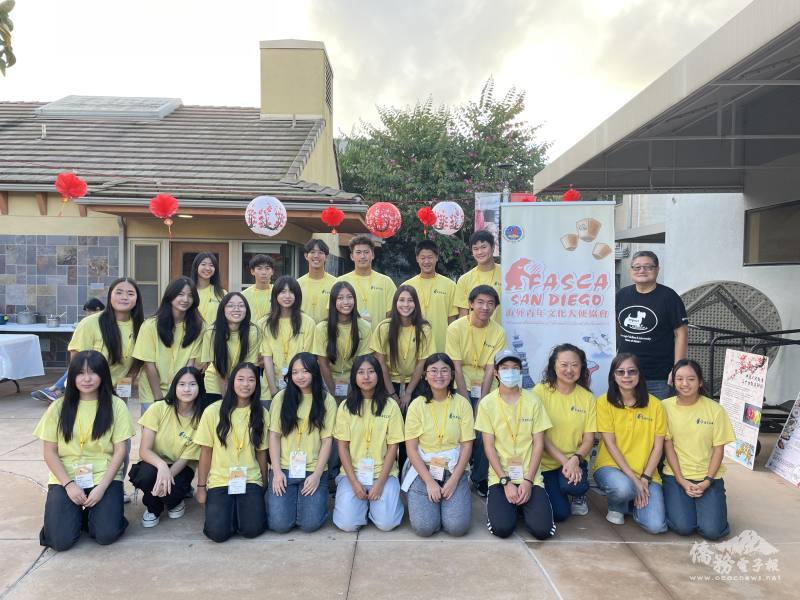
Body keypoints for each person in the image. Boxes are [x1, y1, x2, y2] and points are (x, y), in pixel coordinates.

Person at [34, 350, 135, 551]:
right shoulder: (58, 407)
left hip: (103, 476)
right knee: (59, 541)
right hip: (67, 476)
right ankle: (74, 513)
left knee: (106, 534)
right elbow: (49, 452)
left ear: (103, 375)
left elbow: (119, 452)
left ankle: (100, 512)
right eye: (80, 373)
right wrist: (69, 485)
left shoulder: (116, 406)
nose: (86, 378)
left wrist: (102, 488)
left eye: (93, 372)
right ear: (72, 376)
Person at [474, 349, 554, 539]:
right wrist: (505, 481)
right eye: (505, 368)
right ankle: (512, 506)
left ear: (521, 371)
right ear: (496, 372)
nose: (510, 372)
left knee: (542, 531)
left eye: (515, 368)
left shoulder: (533, 401)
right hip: (501, 478)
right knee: (502, 529)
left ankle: (522, 505)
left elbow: (538, 444)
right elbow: (489, 447)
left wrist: (527, 481)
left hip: (530, 476)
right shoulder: (487, 404)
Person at [593, 353, 667, 534]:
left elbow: (658, 447)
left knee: (656, 526)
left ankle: (630, 504)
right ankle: (618, 503)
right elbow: (609, 443)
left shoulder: (656, 405)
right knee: (623, 488)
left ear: (639, 374)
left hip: (646, 474)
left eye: (632, 371)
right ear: (613, 376)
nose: (626, 376)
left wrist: (645, 478)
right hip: (611, 468)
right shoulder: (604, 402)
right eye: (621, 372)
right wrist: (634, 481)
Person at [195, 362, 268, 542]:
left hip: (250, 478)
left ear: (257, 385)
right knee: (217, 534)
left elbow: (261, 453)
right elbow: (205, 452)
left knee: (252, 530)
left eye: (251, 380)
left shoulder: (261, 413)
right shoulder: (212, 412)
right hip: (220, 480)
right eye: (240, 379)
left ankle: (239, 512)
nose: (245, 384)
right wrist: (201, 488)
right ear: (231, 382)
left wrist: (263, 485)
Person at [662, 359, 735, 540]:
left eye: (691, 379)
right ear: (673, 381)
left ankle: (711, 512)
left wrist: (707, 481)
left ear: (700, 382)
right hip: (676, 475)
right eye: (679, 379)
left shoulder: (715, 410)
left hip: (708, 477)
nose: (685, 384)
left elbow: (718, 450)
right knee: (684, 527)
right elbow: (668, 446)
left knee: (712, 531)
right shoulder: (664, 407)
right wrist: (681, 480)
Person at [445, 284, 507, 496]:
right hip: (459, 385)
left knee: (483, 433)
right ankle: (454, 472)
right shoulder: (455, 328)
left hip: (487, 388)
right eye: (480, 302)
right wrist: (464, 401)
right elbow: (456, 367)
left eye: (490, 303)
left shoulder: (498, 332)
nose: (485, 307)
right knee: (458, 428)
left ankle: (479, 477)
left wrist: (482, 402)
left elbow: (491, 369)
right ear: (471, 304)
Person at [404, 353, 474, 537]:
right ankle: (432, 504)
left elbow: (467, 446)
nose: (439, 375)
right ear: (425, 375)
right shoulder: (417, 405)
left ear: (452, 374)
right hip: (423, 469)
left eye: (444, 370)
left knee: (457, 528)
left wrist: (453, 480)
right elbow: (411, 448)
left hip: (454, 468)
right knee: (424, 527)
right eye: (433, 371)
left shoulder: (462, 404)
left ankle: (448, 501)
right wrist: (429, 481)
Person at [332, 355, 405, 532]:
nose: (366, 377)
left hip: (383, 475)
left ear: (379, 375)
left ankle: (376, 506)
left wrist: (379, 484)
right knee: (347, 525)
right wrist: (355, 484)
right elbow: (342, 447)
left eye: (371, 372)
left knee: (387, 524)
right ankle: (362, 507)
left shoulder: (391, 406)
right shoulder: (345, 407)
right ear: (354, 377)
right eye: (361, 372)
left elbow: (393, 448)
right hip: (353, 475)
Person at [268, 352, 337, 533]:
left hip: (313, 469)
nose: (300, 376)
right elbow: (274, 436)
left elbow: (327, 440)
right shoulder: (281, 398)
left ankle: (307, 505)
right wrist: (276, 473)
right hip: (284, 469)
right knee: (279, 525)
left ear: (314, 372)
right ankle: (295, 504)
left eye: (305, 371)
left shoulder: (326, 400)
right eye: (295, 372)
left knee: (310, 524)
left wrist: (316, 475)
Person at [129, 366, 206, 528]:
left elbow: (184, 460)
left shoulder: (202, 419)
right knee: (146, 475)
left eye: (192, 384)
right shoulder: (158, 408)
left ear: (200, 387)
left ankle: (174, 502)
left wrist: (166, 475)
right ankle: (153, 507)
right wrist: (161, 466)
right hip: (154, 462)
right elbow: (144, 450)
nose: (186, 389)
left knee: (173, 488)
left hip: (180, 467)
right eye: (182, 384)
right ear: (174, 386)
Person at [535, 344, 596, 522]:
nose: (569, 370)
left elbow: (589, 439)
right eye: (564, 365)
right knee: (560, 514)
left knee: (575, 487)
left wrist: (575, 460)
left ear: (582, 367)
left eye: (575, 365)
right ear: (554, 366)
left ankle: (577, 493)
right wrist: (564, 462)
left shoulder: (587, 398)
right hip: (546, 464)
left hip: (574, 461)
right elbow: (541, 436)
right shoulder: (540, 392)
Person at [616, 250, 688, 399]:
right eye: (637, 267)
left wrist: (677, 369)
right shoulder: (622, 295)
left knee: (657, 419)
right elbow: (617, 327)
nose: (642, 270)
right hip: (625, 373)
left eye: (648, 267)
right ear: (631, 270)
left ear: (657, 270)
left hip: (658, 376)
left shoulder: (669, 297)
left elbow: (681, 334)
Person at [132, 277, 204, 409]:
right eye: (180, 294)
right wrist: (158, 398)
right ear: (170, 296)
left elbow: (191, 363)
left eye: (190, 295)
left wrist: (180, 392)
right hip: (151, 391)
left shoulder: (198, 327)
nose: (185, 300)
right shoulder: (150, 325)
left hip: (181, 390)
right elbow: (149, 365)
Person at [68, 277, 144, 397]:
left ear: (137, 299)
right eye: (118, 292)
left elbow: (138, 362)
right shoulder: (90, 323)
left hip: (117, 392)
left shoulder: (141, 327)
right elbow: (76, 358)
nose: (124, 297)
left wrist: (124, 388)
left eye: (130, 293)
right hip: (88, 390)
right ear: (110, 296)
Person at [370, 285, 435, 409]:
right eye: (402, 300)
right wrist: (392, 393)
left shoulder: (424, 329)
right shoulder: (384, 327)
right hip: (388, 382)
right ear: (395, 303)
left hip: (415, 383)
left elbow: (421, 363)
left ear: (416, 303)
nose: (406, 304)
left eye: (410, 300)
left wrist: (408, 392)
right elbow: (381, 363)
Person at [31, 298, 105, 403]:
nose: (87, 314)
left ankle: (54, 390)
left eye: (89, 311)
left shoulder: (102, 320)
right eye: (87, 312)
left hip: (100, 357)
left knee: (78, 366)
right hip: (93, 355)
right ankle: (54, 390)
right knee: (78, 366)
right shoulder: (93, 321)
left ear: (98, 309)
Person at [199, 292, 261, 403]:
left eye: (241, 305)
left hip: (243, 381)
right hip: (216, 383)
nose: (236, 309)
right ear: (223, 310)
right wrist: (226, 398)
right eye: (231, 305)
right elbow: (218, 368)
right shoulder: (211, 332)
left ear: (246, 310)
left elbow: (248, 366)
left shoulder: (254, 331)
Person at [313, 281, 371, 400]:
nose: (346, 302)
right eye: (340, 298)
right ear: (333, 302)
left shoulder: (364, 326)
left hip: (356, 381)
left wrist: (352, 390)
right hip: (328, 380)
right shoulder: (322, 328)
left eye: (350, 297)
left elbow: (362, 362)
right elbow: (323, 364)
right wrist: (333, 391)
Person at [261, 276, 316, 398]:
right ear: (275, 295)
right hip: (270, 389)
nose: (287, 296)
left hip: (300, 386)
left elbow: (307, 359)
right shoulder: (264, 323)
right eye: (283, 292)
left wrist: (299, 387)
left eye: (291, 292)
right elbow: (267, 359)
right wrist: (274, 391)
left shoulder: (308, 323)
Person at [401, 240, 458, 352]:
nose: (426, 261)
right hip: (413, 343)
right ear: (417, 259)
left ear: (437, 257)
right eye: (423, 258)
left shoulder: (450, 285)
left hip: (441, 344)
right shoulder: (406, 286)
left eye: (430, 257)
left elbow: (452, 319)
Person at [337, 235, 396, 333]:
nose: (362, 256)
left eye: (366, 252)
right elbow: (333, 312)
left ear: (372, 255)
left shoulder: (386, 281)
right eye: (358, 252)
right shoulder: (341, 281)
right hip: (349, 339)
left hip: (378, 341)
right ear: (352, 256)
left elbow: (392, 314)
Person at [454, 231, 502, 325]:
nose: (480, 252)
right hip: (474, 336)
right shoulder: (464, 280)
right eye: (475, 249)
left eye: (484, 247)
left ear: (493, 248)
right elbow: (463, 316)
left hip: (504, 334)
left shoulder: (508, 274)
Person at [297, 238, 338, 323]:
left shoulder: (336, 283)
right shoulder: (298, 283)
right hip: (303, 331)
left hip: (327, 331)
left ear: (326, 257)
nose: (316, 256)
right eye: (312, 252)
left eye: (320, 252)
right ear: (306, 256)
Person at [191, 252, 226, 325]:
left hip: (214, 335)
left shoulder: (222, 293)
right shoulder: (189, 292)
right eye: (203, 264)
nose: (207, 268)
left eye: (211, 265)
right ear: (196, 267)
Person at [242, 254, 275, 322]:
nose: (263, 272)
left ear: (272, 271)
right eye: (259, 268)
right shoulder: (244, 295)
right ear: (252, 271)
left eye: (267, 268)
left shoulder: (278, 292)